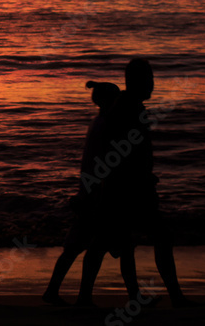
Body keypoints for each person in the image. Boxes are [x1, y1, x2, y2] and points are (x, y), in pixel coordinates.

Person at [75, 58, 204, 308]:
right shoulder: (129, 109)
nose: (152, 85)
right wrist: (141, 180)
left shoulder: (126, 106)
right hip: (127, 189)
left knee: (110, 242)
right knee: (152, 237)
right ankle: (173, 297)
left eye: (152, 79)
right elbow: (122, 152)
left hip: (121, 187)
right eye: (149, 80)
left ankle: (95, 297)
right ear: (136, 82)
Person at [43, 81, 142, 306]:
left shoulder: (98, 123)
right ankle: (115, 297)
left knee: (78, 246)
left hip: (89, 192)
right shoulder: (108, 126)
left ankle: (62, 292)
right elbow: (109, 163)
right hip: (99, 195)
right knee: (115, 246)